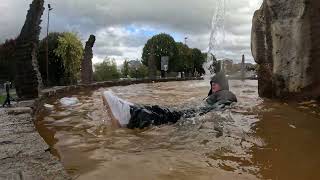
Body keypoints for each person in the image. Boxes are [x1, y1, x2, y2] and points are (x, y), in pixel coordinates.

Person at [103, 72, 237, 129]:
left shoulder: (226, 93)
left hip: (198, 114)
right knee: (164, 110)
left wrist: (214, 110)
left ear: (223, 84)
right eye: (212, 82)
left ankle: (132, 115)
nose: (213, 84)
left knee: (170, 115)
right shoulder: (213, 96)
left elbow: (227, 101)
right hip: (195, 112)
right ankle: (134, 109)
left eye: (217, 82)